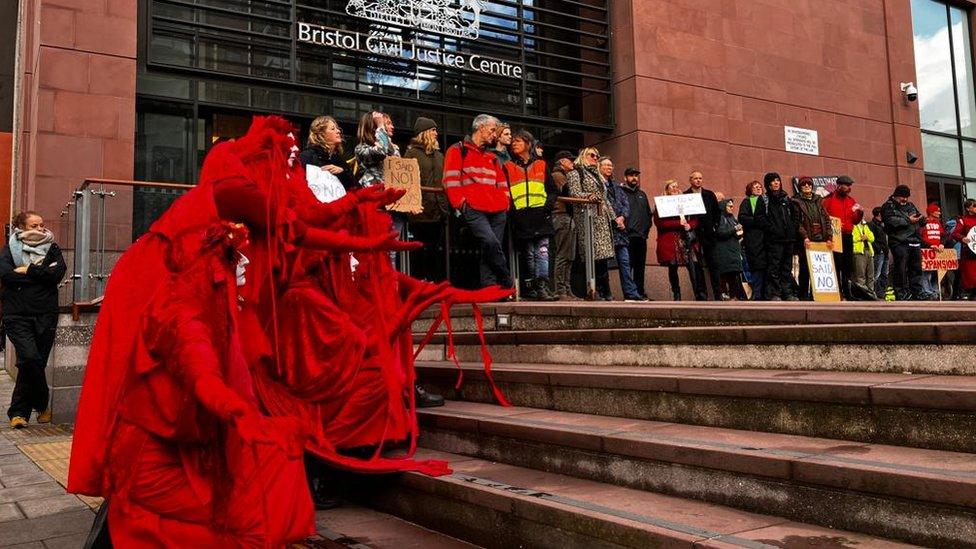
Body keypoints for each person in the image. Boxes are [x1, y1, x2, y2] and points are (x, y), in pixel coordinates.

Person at [102, 222, 314, 546]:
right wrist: (237, 411)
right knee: (246, 514)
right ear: (210, 265)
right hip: (152, 458)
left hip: (180, 449)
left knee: (254, 500)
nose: (244, 266)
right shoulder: (184, 313)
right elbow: (201, 370)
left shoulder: (197, 301)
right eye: (233, 258)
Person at [1, 211, 66, 429]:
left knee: (34, 363)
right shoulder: (10, 248)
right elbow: (6, 274)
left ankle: (18, 413)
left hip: (46, 314)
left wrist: (28, 269)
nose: (40, 229)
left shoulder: (53, 248)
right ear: (21, 227)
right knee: (29, 358)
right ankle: (42, 404)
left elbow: (57, 274)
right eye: (34, 226)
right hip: (17, 314)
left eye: (41, 225)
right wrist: (40, 275)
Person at [443, 114, 512, 289]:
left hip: (497, 210)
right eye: (492, 130)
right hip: (473, 208)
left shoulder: (492, 157)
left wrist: (505, 202)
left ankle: (490, 286)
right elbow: (450, 180)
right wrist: (460, 203)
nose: (494, 135)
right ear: (480, 128)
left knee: (489, 247)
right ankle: (506, 279)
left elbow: (503, 184)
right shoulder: (457, 150)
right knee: (490, 242)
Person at [504, 130, 557, 300]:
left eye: (518, 141)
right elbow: (507, 194)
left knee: (542, 252)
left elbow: (552, 190)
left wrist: (546, 208)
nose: (514, 144)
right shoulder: (508, 167)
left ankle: (542, 287)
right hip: (521, 218)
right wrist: (514, 212)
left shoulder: (541, 164)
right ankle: (533, 288)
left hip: (541, 217)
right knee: (529, 255)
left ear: (528, 143)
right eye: (513, 141)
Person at [403, 117, 449, 282]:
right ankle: (418, 282)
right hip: (420, 210)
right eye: (433, 130)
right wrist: (410, 205)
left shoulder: (439, 155)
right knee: (419, 249)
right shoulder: (411, 153)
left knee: (434, 250)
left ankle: (433, 283)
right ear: (424, 132)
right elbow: (405, 181)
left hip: (439, 210)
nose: (437, 133)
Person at [566, 147, 615, 300]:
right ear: (583, 156)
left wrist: (614, 217)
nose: (595, 157)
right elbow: (574, 193)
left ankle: (605, 290)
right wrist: (589, 195)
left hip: (601, 219)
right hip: (587, 219)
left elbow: (604, 199)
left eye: (597, 155)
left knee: (603, 256)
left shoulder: (598, 176)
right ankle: (594, 290)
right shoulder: (575, 173)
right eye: (592, 155)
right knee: (591, 255)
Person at [600, 156, 642, 301]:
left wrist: (622, 217)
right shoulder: (598, 184)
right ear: (599, 167)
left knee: (624, 261)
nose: (608, 167)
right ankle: (605, 293)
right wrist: (614, 219)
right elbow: (604, 204)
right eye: (605, 165)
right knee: (603, 263)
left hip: (620, 230)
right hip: (605, 228)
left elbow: (625, 204)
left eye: (610, 165)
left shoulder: (617, 186)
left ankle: (630, 293)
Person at [654, 180, 702, 301]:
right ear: (667, 189)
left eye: (677, 186)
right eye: (672, 186)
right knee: (673, 266)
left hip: (685, 239)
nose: (675, 188)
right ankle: (677, 293)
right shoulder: (661, 204)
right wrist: (678, 223)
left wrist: (690, 225)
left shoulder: (685, 202)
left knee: (693, 265)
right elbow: (660, 223)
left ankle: (699, 293)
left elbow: (695, 218)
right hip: (670, 240)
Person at [881, 184, 926, 300]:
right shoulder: (888, 206)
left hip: (914, 240)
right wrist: (908, 220)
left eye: (907, 197)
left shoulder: (910, 205)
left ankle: (917, 292)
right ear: (896, 195)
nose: (905, 199)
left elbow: (919, 218)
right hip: (899, 241)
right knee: (900, 268)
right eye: (902, 197)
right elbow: (891, 221)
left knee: (916, 268)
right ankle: (901, 293)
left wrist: (922, 220)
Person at [792, 176, 833, 300]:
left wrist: (829, 237)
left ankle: (819, 295)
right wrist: (804, 237)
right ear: (800, 187)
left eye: (809, 184)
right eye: (804, 185)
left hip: (821, 238)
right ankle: (803, 295)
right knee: (805, 268)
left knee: (819, 269)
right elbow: (797, 222)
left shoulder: (819, 201)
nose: (806, 186)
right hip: (806, 240)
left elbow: (826, 220)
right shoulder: (796, 202)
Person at [821, 175, 860, 299]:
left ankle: (847, 291)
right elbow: (823, 216)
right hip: (835, 236)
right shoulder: (828, 200)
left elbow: (855, 220)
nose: (849, 188)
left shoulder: (852, 201)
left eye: (850, 186)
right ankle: (837, 291)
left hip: (847, 236)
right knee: (837, 264)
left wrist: (860, 213)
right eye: (847, 185)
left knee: (847, 265)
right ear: (839, 185)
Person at [762, 172, 800, 301]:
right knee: (774, 267)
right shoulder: (764, 200)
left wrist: (792, 229)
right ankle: (775, 293)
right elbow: (760, 218)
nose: (776, 183)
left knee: (787, 267)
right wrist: (772, 230)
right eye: (773, 181)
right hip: (774, 240)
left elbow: (795, 216)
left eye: (778, 180)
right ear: (768, 184)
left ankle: (787, 293)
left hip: (788, 239)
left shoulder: (786, 199)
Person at [684, 170, 720, 299]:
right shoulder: (685, 195)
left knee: (713, 264)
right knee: (697, 266)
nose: (698, 180)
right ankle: (702, 294)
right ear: (690, 180)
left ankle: (718, 294)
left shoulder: (709, 195)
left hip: (709, 235)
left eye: (700, 178)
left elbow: (717, 213)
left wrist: (715, 227)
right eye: (696, 178)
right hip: (694, 236)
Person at [300, 115, 355, 199]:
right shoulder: (307, 156)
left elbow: (354, 187)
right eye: (333, 129)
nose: (338, 131)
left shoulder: (340, 161)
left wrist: (342, 172)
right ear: (321, 134)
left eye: (337, 128)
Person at [550, 150, 579, 300]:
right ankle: (561, 290)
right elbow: (570, 193)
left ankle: (566, 289)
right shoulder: (558, 176)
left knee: (569, 255)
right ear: (562, 161)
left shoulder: (562, 175)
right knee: (563, 255)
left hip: (566, 216)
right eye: (570, 160)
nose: (572, 163)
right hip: (561, 216)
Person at [621, 167, 653, 300]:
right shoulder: (621, 193)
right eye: (631, 175)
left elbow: (647, 214)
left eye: (636, 175)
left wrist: (645, 231)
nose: (634, 178)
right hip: (627, 236)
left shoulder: (642, 194)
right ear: (625, 178)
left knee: (640, 267)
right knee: (628, 266)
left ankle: (640, 292)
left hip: (641, 236)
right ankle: (629, 293)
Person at [738, 180, 767, 300]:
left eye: (760, 187)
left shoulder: (766, 201)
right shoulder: (747, 201)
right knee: (757, 268)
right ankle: (757, 294)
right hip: (754, 240)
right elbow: (742, 218)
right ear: (750, 189)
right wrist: (758, 220)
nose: (759, 188)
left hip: (765, 239)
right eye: (756, 187)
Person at [713, 199, 747, 300]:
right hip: (724, 251)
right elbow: (720, 233)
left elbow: (736, 234)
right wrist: (734, 229)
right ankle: (725, 294)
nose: (732, 208)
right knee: (725, 274)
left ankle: (734, 296)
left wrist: (740, 231)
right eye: (729, 206)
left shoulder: (733, 218)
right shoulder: (720, 218)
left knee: (735, 274)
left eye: (732, 206)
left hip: (734, 250)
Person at [355, 111, 398, 188]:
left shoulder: (393, 148)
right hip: (372, 194)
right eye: (388, 124)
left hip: (389, 194)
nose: (392, 127)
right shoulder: (361, 149)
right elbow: (380, 152)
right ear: (374, 127)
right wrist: (380, 127)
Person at [950, 198, 976, 300]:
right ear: (968, 208)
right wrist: (963, 238)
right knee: (970, 274)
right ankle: (970, 293)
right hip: (969, 251)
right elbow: (955, 233)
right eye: (974, 206)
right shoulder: (963, 220)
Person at [850, 209, 878, 300]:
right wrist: (861, 238)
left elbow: (872, 237)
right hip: (859, 252)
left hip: (868, 251)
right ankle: (862, 293)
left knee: (871, 275)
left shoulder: (865, 225)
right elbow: (853, 238)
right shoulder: (852, 225)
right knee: (860, 275)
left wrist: (866, 237)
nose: (862, 217)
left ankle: (871, 292)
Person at [919, 202, 946, 297]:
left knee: (936, 273)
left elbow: (943, 236)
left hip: (937, 252)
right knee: (927, 273)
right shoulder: (923, 223)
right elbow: (919, 237)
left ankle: (935, 291)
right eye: (937, 211)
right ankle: (927, 292)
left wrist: (942, 244)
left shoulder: (938, 223)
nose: (939, 213)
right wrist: (929, 246)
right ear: (931, 212)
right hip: (927, 252)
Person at [868, 207, 890, 298]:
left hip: (885, 251)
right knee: (877, 273)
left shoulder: (883, 225)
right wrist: (878, 249)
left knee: (885, 273)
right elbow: (872, 239)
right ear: (879, 214)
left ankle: (883, 292)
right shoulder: (872, 224)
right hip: (879, 252)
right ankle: (875, 292)